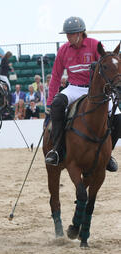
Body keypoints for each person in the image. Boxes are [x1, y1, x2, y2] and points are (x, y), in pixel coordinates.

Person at [44, 16, 118, 171]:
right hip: (74, 88)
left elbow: (106, 65)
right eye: (67, 34)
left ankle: (107, 154)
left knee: (116, 116)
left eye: (71, 34)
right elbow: (56, 76)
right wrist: (50, 101)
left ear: (80, 33)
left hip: (94, 89)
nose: (68, 37)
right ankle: (57, 149)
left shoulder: (94, 45)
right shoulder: (64, 49)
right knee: (57, 104)